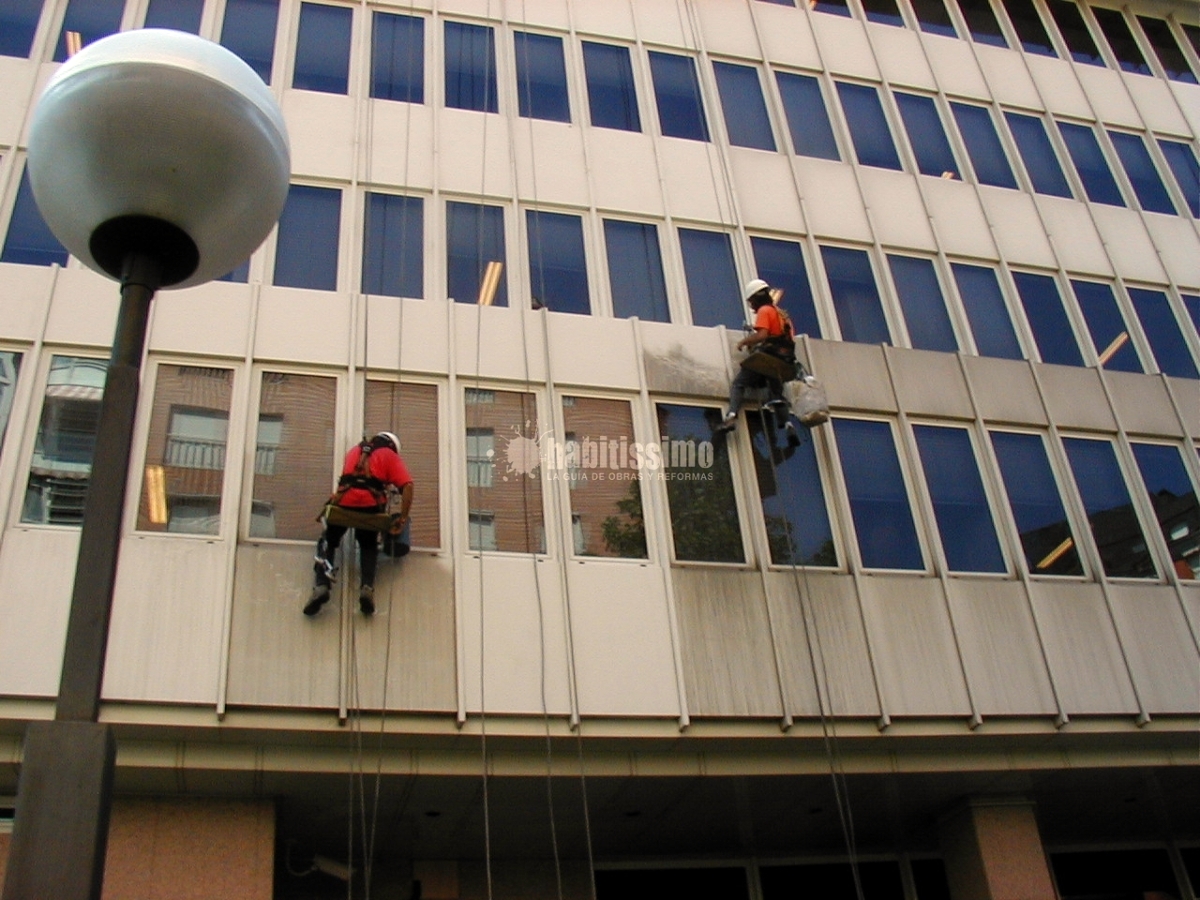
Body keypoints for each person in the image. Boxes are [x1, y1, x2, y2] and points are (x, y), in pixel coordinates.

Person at [304, 431, 413, 617]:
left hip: (343, 502)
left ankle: (321, 585)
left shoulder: (354, 451)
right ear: (392, 446)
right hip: (370, 506)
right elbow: (407, 486)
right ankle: (367, 588)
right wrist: (402, 518)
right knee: (368, 545)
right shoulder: (389, 455)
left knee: (328, 540)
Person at [715, 279, 801, 447]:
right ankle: (789, 427)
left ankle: (731, 417)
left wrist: (744, 342)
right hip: (784, 361)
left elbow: (762, 335)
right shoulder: (782, 315)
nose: (752, 307)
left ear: (755, 298)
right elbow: (784, 338)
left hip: (768, 358)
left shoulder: (765, 311)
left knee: (739, 384)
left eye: (751, 302)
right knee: (777, 394)